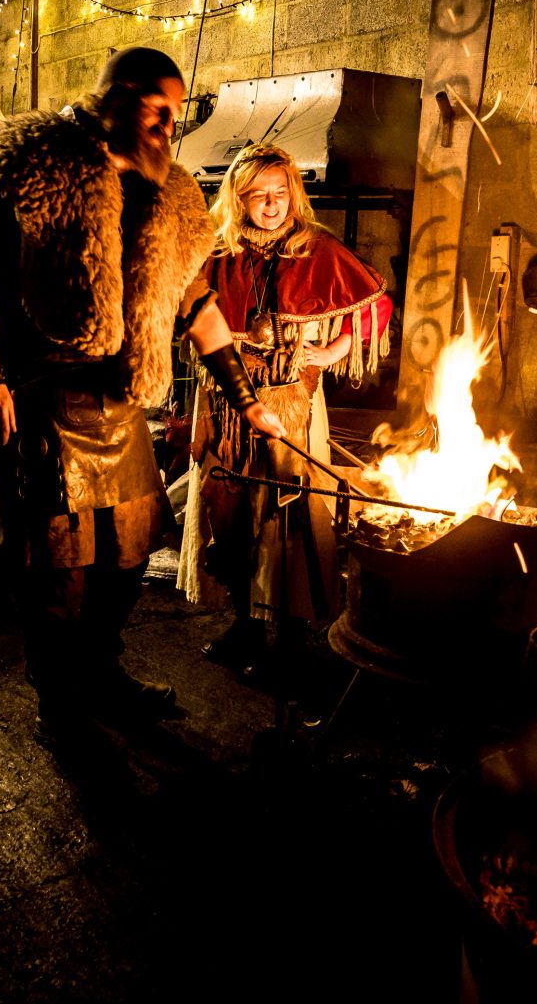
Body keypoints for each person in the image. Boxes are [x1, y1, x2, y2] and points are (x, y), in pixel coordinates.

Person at [0, 48, 285, 744]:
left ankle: (101, 673)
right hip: (46, 399)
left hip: (122, 408)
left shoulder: (170, 195)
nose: (167, 126)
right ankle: (60, 702)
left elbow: (195, 302)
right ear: (118, 98)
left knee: (129, 557)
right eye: (157, 109)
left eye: (174, 113)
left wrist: (246, 398)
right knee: (60, 572)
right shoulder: (35, 167)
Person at [177, 143, 393, 678]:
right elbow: (186, 314)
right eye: (259, 195)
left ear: (294, 194)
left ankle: (292, 635)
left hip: (294, 405)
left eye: (280, 193)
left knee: (291, 515)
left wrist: (336, 349)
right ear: (239, 199)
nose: (272, 205)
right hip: (226, 404)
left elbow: (376, 305)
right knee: (230, 509)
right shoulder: (216, 252)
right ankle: (244, 625)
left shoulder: (318, 249)